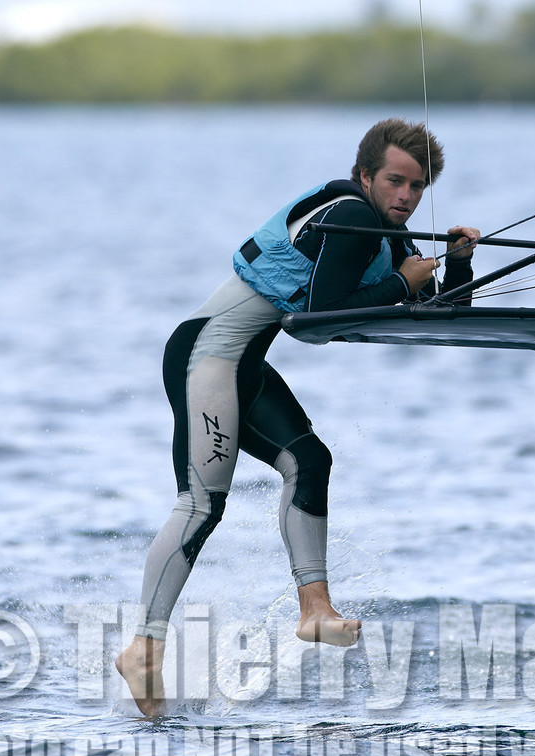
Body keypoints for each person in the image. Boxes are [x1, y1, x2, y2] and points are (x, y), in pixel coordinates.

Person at [116, 117, 480, 716]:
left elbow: (439, 309)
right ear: (366, 176)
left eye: (417, 188)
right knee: (202, 504)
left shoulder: (385, 232)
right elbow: (319, 318)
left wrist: (457, 261)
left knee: (310, 461)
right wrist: (397, 284)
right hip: (206, 355)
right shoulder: (354, 215)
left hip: (243, 367)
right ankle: (144, 648)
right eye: (395, 181)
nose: (406, 197)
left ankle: (315, 610)